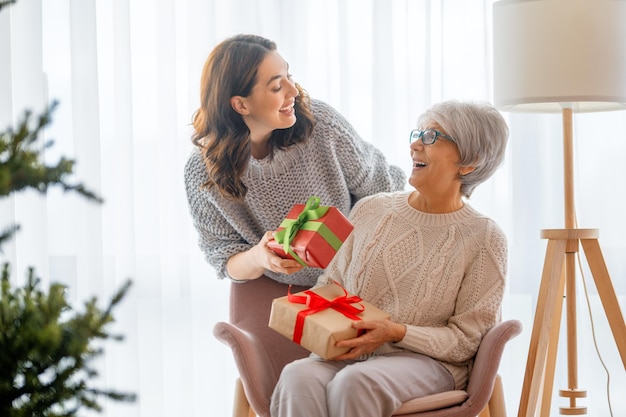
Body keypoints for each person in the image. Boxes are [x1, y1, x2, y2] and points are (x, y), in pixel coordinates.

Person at [270, 100, 510, 417]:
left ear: (470, 161)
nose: (415, 144)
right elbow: (332, 285)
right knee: (297, 376)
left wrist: (397, 333)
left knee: (356, 382)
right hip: (351, 353)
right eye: (418, 133)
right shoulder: (371, 209)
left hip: (429, 362)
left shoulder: (484, 237)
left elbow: (467, 340)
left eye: (432, 137)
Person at [184, 34, 405, 287]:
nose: (294, 91)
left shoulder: (321, 123)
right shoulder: (202, 170)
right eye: (277, 86)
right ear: (241, 105)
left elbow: (383, 189)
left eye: (289, 76)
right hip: (288, 291)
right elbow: (223, 257)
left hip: (365, 272)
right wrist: (258, 257)